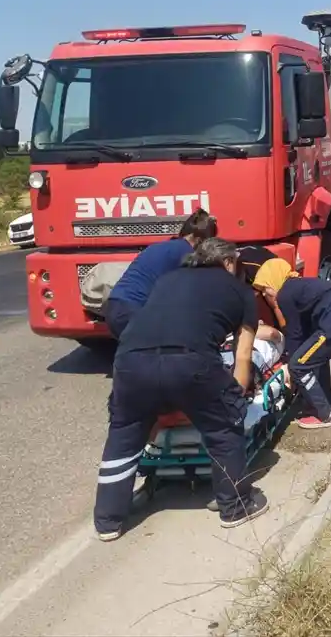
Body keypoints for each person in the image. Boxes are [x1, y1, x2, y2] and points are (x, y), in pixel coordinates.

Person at [93, 238, 268, 541]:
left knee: (123, 435)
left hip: (131, 361)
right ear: (229, 263)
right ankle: (235, 506)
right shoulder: (240, 291)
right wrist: (234, 400)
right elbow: (242, 356)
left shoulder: (167, 279)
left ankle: (108, 521)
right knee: (224, 427)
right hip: (190, 362)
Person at [251, 259, 331, 430]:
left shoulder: (284, 294)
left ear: (272, 281)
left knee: (298, 365)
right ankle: (323, 402)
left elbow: (295, 334)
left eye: (264, 289)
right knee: (315, 358)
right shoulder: (298, 286)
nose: (264, 295)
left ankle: (325, 414)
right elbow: (304, 332)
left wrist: (290, 365)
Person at [105, 210, 218, 340]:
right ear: (200, 241)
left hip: (114, 305)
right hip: (134, 309)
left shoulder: (159, 247)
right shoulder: (187, 253)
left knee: (133, 353)